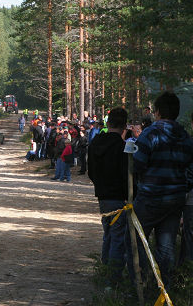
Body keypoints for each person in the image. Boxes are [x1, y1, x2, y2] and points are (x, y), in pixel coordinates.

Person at [128, 91, 193, 288]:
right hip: (175, 199)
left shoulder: (151, 133)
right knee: (167, 247)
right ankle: (163, 289)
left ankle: (139, 286)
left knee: (136, 241)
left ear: (157, 112)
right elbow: (190, 169)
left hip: (151, 196)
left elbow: (137, 164)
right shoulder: (184, 136)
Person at [88, 107, 129, 286]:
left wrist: (100, 185)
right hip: (118, 197)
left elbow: (91, 171)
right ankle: (113, 279)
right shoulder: (122, 147)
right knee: (117, 238)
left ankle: (105, 270)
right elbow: (126, 174)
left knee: (109, 234)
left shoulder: (96, 142)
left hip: (103, 196)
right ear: (124, 126)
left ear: (108, 122)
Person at [181, 111, 193, 266]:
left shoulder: (188, 144)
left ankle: (187, 272)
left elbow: (187, 173)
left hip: (190, 199)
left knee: (189, 235)